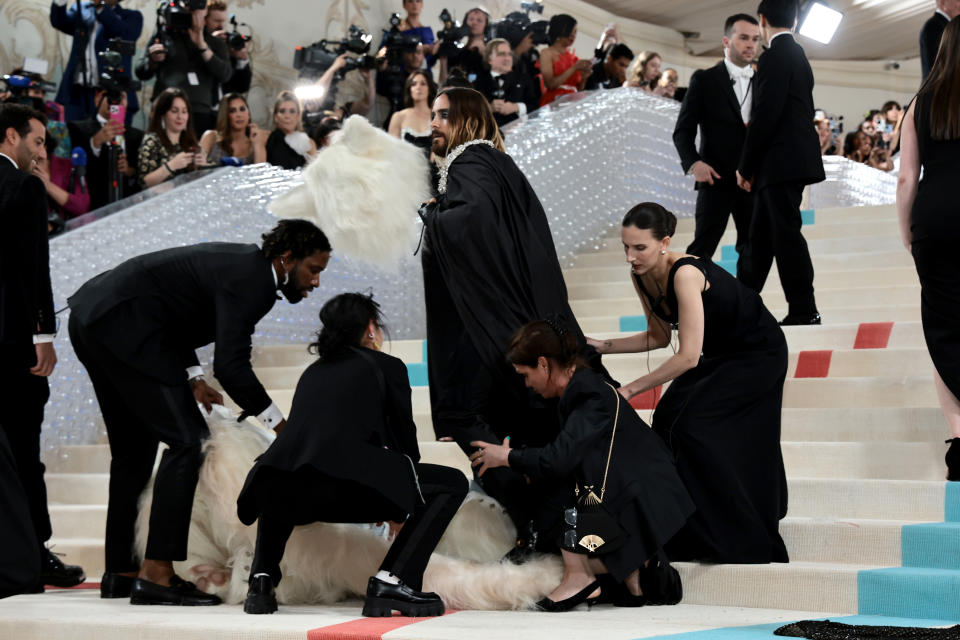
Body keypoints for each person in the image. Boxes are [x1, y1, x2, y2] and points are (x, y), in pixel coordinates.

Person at [67, 219, 331, 605]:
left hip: (94, 320)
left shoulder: (243, 268)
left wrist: (192, 377)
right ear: (287, 259)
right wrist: (280, 425)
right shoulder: (253, 282)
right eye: (314, 270)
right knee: (188, 442)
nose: (316, 283)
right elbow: (232, 367)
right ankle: (157, 573)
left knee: (133, 453)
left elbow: (175, 313)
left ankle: (120, 571)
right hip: (126, 326)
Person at [421, 87, 610, 555]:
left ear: (466, 119)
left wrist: (431, 214)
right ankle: (559, 537)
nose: (434, 123)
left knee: (473, 419)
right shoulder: (489, 164)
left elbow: (471, 220)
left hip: (494, 330)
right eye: (433, 115)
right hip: (509, 324)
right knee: (524, 432)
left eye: (444, 115)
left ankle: (546, 532)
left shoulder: (470, 164)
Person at [237, 292, 467, 617]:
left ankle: (260, 581)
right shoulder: (387, 366)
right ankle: (392, 580)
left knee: (284, 472)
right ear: (370, 329)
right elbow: (404, 444)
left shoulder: (312, 372)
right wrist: (405, 500)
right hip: (343, 486)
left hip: (277, 490)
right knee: (452, 482)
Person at [587, 202, 789, 563]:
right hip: (717, 353)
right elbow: (658, 336)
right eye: (626, 247)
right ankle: (688, 526)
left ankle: (733, 529)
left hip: (755, 353)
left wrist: (631, 389)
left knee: (693, 427)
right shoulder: (640, 275)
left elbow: (688, 356)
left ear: (664, 242)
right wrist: (602, 346)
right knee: (666, 421)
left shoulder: (685, 273)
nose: (631, 257)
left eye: (640, 248)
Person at [471, 319, 693, 611]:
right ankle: (631, 577)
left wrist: (507, 457)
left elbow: (558, 460)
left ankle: (580, 577)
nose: (527, 385)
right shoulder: (581, 389)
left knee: (553, 484)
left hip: (645, 495)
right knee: (551, 474)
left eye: (526, 375)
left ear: (543, 364)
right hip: (631, 488)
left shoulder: (588, 394)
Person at [0, 103, 86, 592]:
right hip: (12, 344)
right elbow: (33, 267)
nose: (41, 155)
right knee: (25, 452)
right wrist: (43, 334)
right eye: (36, 142)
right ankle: (35, 553)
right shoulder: (26, 186)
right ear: (11, 136)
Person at [896, 16, 960, 481]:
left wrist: (907, 231)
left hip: (934, 221)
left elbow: (905, 178)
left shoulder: (920, 101)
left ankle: (959, 442)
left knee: (944, 329)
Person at [736, 0, 825, 326]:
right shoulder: (797, 53)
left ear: (762, 20)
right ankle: (740, 309)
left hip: (779, 163)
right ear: (797, 18)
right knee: (760, 239)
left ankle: (804, 309)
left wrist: (745, 166)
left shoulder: (774, 56)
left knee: (785, 235)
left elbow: (765, 117)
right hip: (790, 161)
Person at [673, 14, 760, 270]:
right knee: (702, 249)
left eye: (755, 39)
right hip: (715, 179)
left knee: (753, 250)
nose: (750, 45)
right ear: (726, 40)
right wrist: (694, 163)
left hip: (752, 182)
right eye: (743, 37)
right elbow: (682, 131)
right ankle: (687, 305)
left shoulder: (764, 82)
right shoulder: (705, 79)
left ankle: (745, 305)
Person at [135, 0, 232, 136]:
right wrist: (153, 61)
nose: (192, 13)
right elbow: (141, 72)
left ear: (205, 13)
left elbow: (225, 74)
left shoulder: (216, 43)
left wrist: (201, 45)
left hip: (199, 111)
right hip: (166, 108)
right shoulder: (164, 37)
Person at [49, 0, 143, 123]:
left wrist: (100, 6)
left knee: (111, 138)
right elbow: (60, 22)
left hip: (111, 94)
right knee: (74, 136)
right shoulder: (83, 11)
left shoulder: (131, 16)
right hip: (77, 92)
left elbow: (124, 33)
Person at [67, 84, 143, 209]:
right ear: (97, 99)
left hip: (127, 205)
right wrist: (95, 142)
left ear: (127, 102)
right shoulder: (78, 128)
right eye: (110, 95)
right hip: (93, 205)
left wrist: (128, 170)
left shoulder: (137, 136)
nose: (115, 101)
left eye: (121, 97)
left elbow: (140, 174)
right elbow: (76, 168)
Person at [137, 88, 208, 188]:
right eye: (174, 111)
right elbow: (144, 182)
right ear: (163, 114)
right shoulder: (152, 140)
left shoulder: (191, 141)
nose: (180, 117)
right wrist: (172, 165)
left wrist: (203, 166)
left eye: (184, 112)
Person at [474, 38, 533, 128]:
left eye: (509, 54)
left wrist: (516, 107)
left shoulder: (524, 79)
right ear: (489, 59)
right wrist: (489, 108)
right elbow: (468, 111)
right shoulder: (477, 83)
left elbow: (536, 105)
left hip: (520, 131)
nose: (507, 58)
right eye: (501, 54)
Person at [537, 14, 592, 107]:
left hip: (572, 103)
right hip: (554, 102)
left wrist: (584, 78)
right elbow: (550, 84)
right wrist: (574, 68)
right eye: (572, 31)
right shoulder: (547, 53)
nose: (574, 35)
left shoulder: (574, 57)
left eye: (575, 32)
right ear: (561, 30)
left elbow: (579, 89)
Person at [36, 127, 90, 220]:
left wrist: (48, 185)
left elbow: (82, 206)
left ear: (44, 145)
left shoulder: (69, 166)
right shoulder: (17, 170)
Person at [204, 0, 252, 102]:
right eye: (216, 21)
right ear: (205, 20)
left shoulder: (230, 44)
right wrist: (212, 43)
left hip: (225, 107)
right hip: (206, 104)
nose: (220, 26)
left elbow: (242, 87)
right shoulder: (199, 42)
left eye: (223, 21)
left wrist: (242, 60)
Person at [199, 92, 265, 165]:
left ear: (248, 114)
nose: (239, 115)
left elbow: (260, 172)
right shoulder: (211, 136)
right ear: (225, 115)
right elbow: (197, 169)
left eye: (242, 109)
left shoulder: (256, 141)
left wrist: (258, 144)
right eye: (232, 111)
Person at [388, 70, 436, 156]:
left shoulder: (436, 117)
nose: (418, 87)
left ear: (429, 88)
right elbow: (391, 152)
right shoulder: (399, 117)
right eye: (414, 84)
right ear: (409, 89)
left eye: (423, 84)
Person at [266, 91, 316, 169]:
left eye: (292, 111)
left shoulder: (309, 143)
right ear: (275, 116)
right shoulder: (265, 139)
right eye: (282, 111)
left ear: (298, 116)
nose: (287, 116)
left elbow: (314, 174)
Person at [440, 7, 489, 84]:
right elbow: (443, 83)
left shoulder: (491, 52)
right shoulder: (457, 54)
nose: (474, 23)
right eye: (471, 19)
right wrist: (443, 59)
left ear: (486, 26)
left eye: (479, 20)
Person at [920, 0, 960, 81]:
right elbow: (942, 64)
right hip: (938, 91)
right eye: (957, 0)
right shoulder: (934, 26)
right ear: (942, 3)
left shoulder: (946, 26)